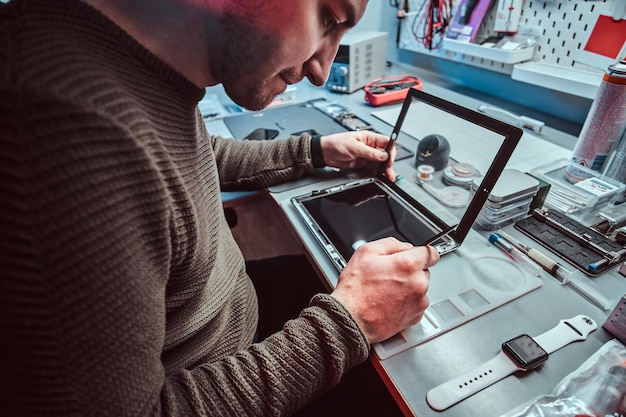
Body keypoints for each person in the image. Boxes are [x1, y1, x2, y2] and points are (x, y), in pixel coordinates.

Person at [0, 0, 440, 416]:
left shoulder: (124, 62)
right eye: (327, 17)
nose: (322, 69)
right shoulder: (62, 127)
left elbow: (185, 153)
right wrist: (351, 324)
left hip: (230, 315)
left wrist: (318, 151)